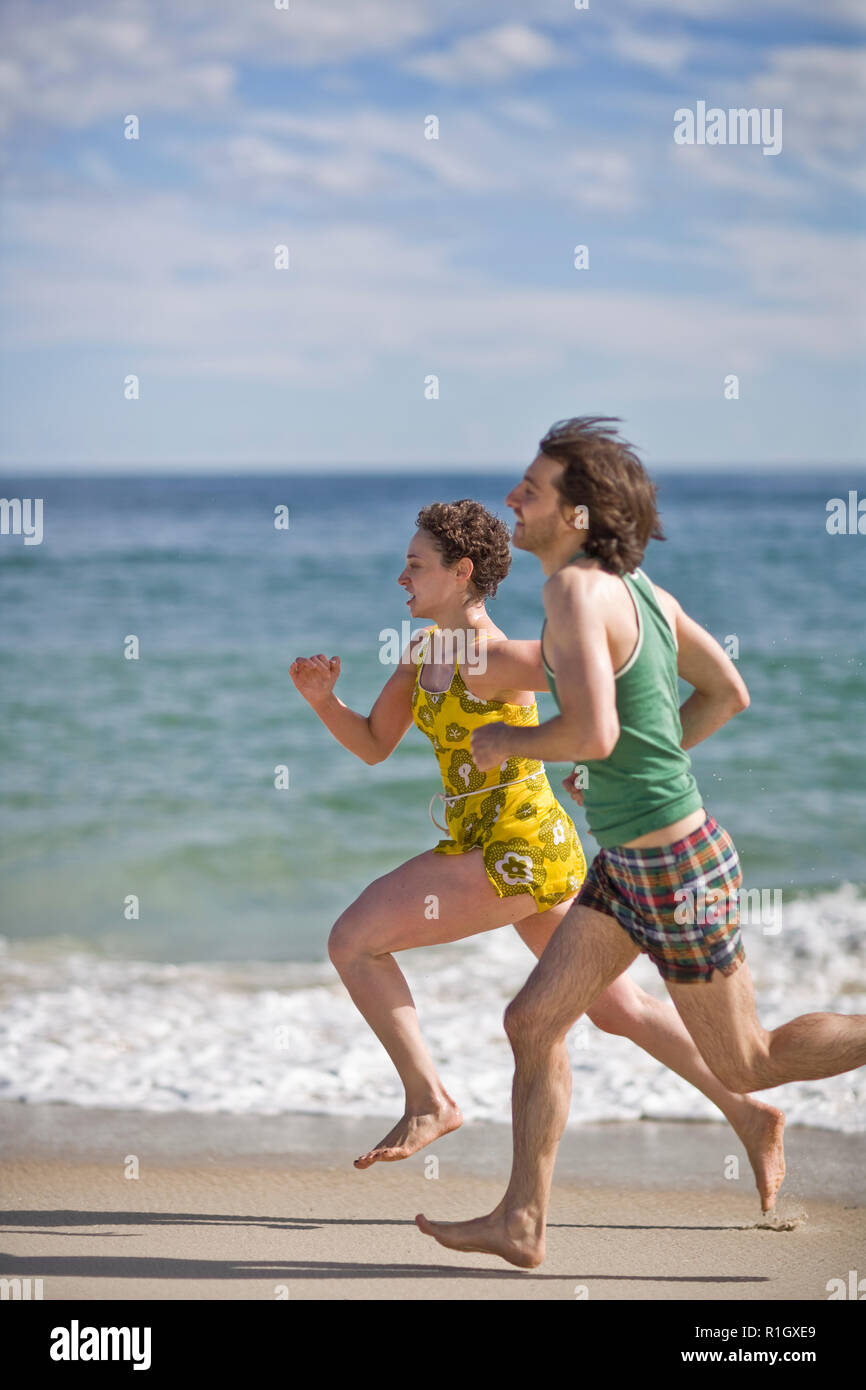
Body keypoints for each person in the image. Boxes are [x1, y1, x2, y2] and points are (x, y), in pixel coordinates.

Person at [416, 418, 866, 1268]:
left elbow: (590, 726)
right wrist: (632, 772)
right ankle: (523, 1221)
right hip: (634, 861)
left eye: (533, 489)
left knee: (750, 1062)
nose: (514, 496)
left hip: (673, 865)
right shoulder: (643, 593)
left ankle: (528, 1215)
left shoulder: (576, 595)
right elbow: (725, 691)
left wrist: (514, 744)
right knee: (533, 1020)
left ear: (578, 514)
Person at [290, 499, 785, 1202]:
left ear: (461, 573)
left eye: (414, 565)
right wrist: (322, 700)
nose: (400, 577)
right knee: (619, 1010)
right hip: (504, 845)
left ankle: (430, 1100)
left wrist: (597, 750)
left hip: (517, 848)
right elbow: (374, 745)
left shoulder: (493, 657)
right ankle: (750, 1112)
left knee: (353, 941)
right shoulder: (428, 650)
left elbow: (598, 676)